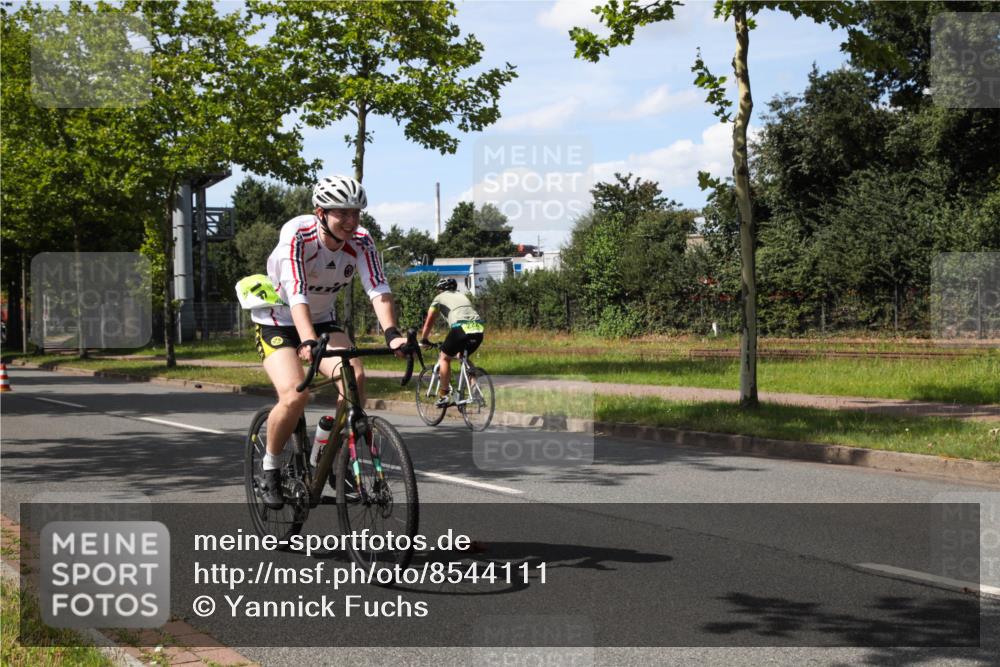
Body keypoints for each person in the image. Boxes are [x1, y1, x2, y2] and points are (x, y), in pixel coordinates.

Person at [245, 174, 406, 509]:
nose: (351, 221)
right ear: (320, 213)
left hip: (321, 320)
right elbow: (296, 290)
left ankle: (331, 456)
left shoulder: (362, 240)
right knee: (294, 394)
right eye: (341, 213)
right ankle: (271, 468)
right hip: (277, 319)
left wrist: (392, 334)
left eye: (356, 213)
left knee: (355, 377)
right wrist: (306, 341)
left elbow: (378, 288)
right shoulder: (298, 234)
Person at [418, 277, 485, 407]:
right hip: (478, 329)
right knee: (462, 356)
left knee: (444, 358)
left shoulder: (439, 298)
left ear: (441, 289)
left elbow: (429, 321)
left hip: (460, 328)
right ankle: (475, 388)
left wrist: (424, 339)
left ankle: (443, 395)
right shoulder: (462, 295)